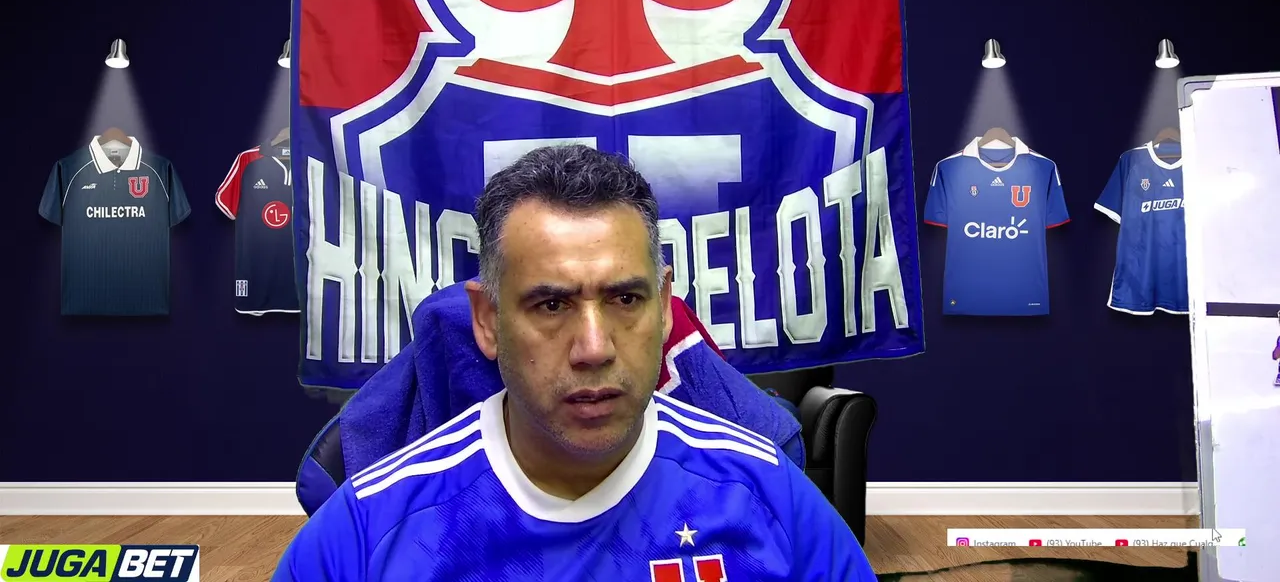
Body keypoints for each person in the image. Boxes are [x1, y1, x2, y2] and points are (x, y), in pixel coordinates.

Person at [273, 144, 877, 581]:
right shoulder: (370, 531)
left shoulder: (766, 493)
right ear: (487, 321)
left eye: (625, 299)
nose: (594, 348)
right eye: (552, 304)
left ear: (665, 305)